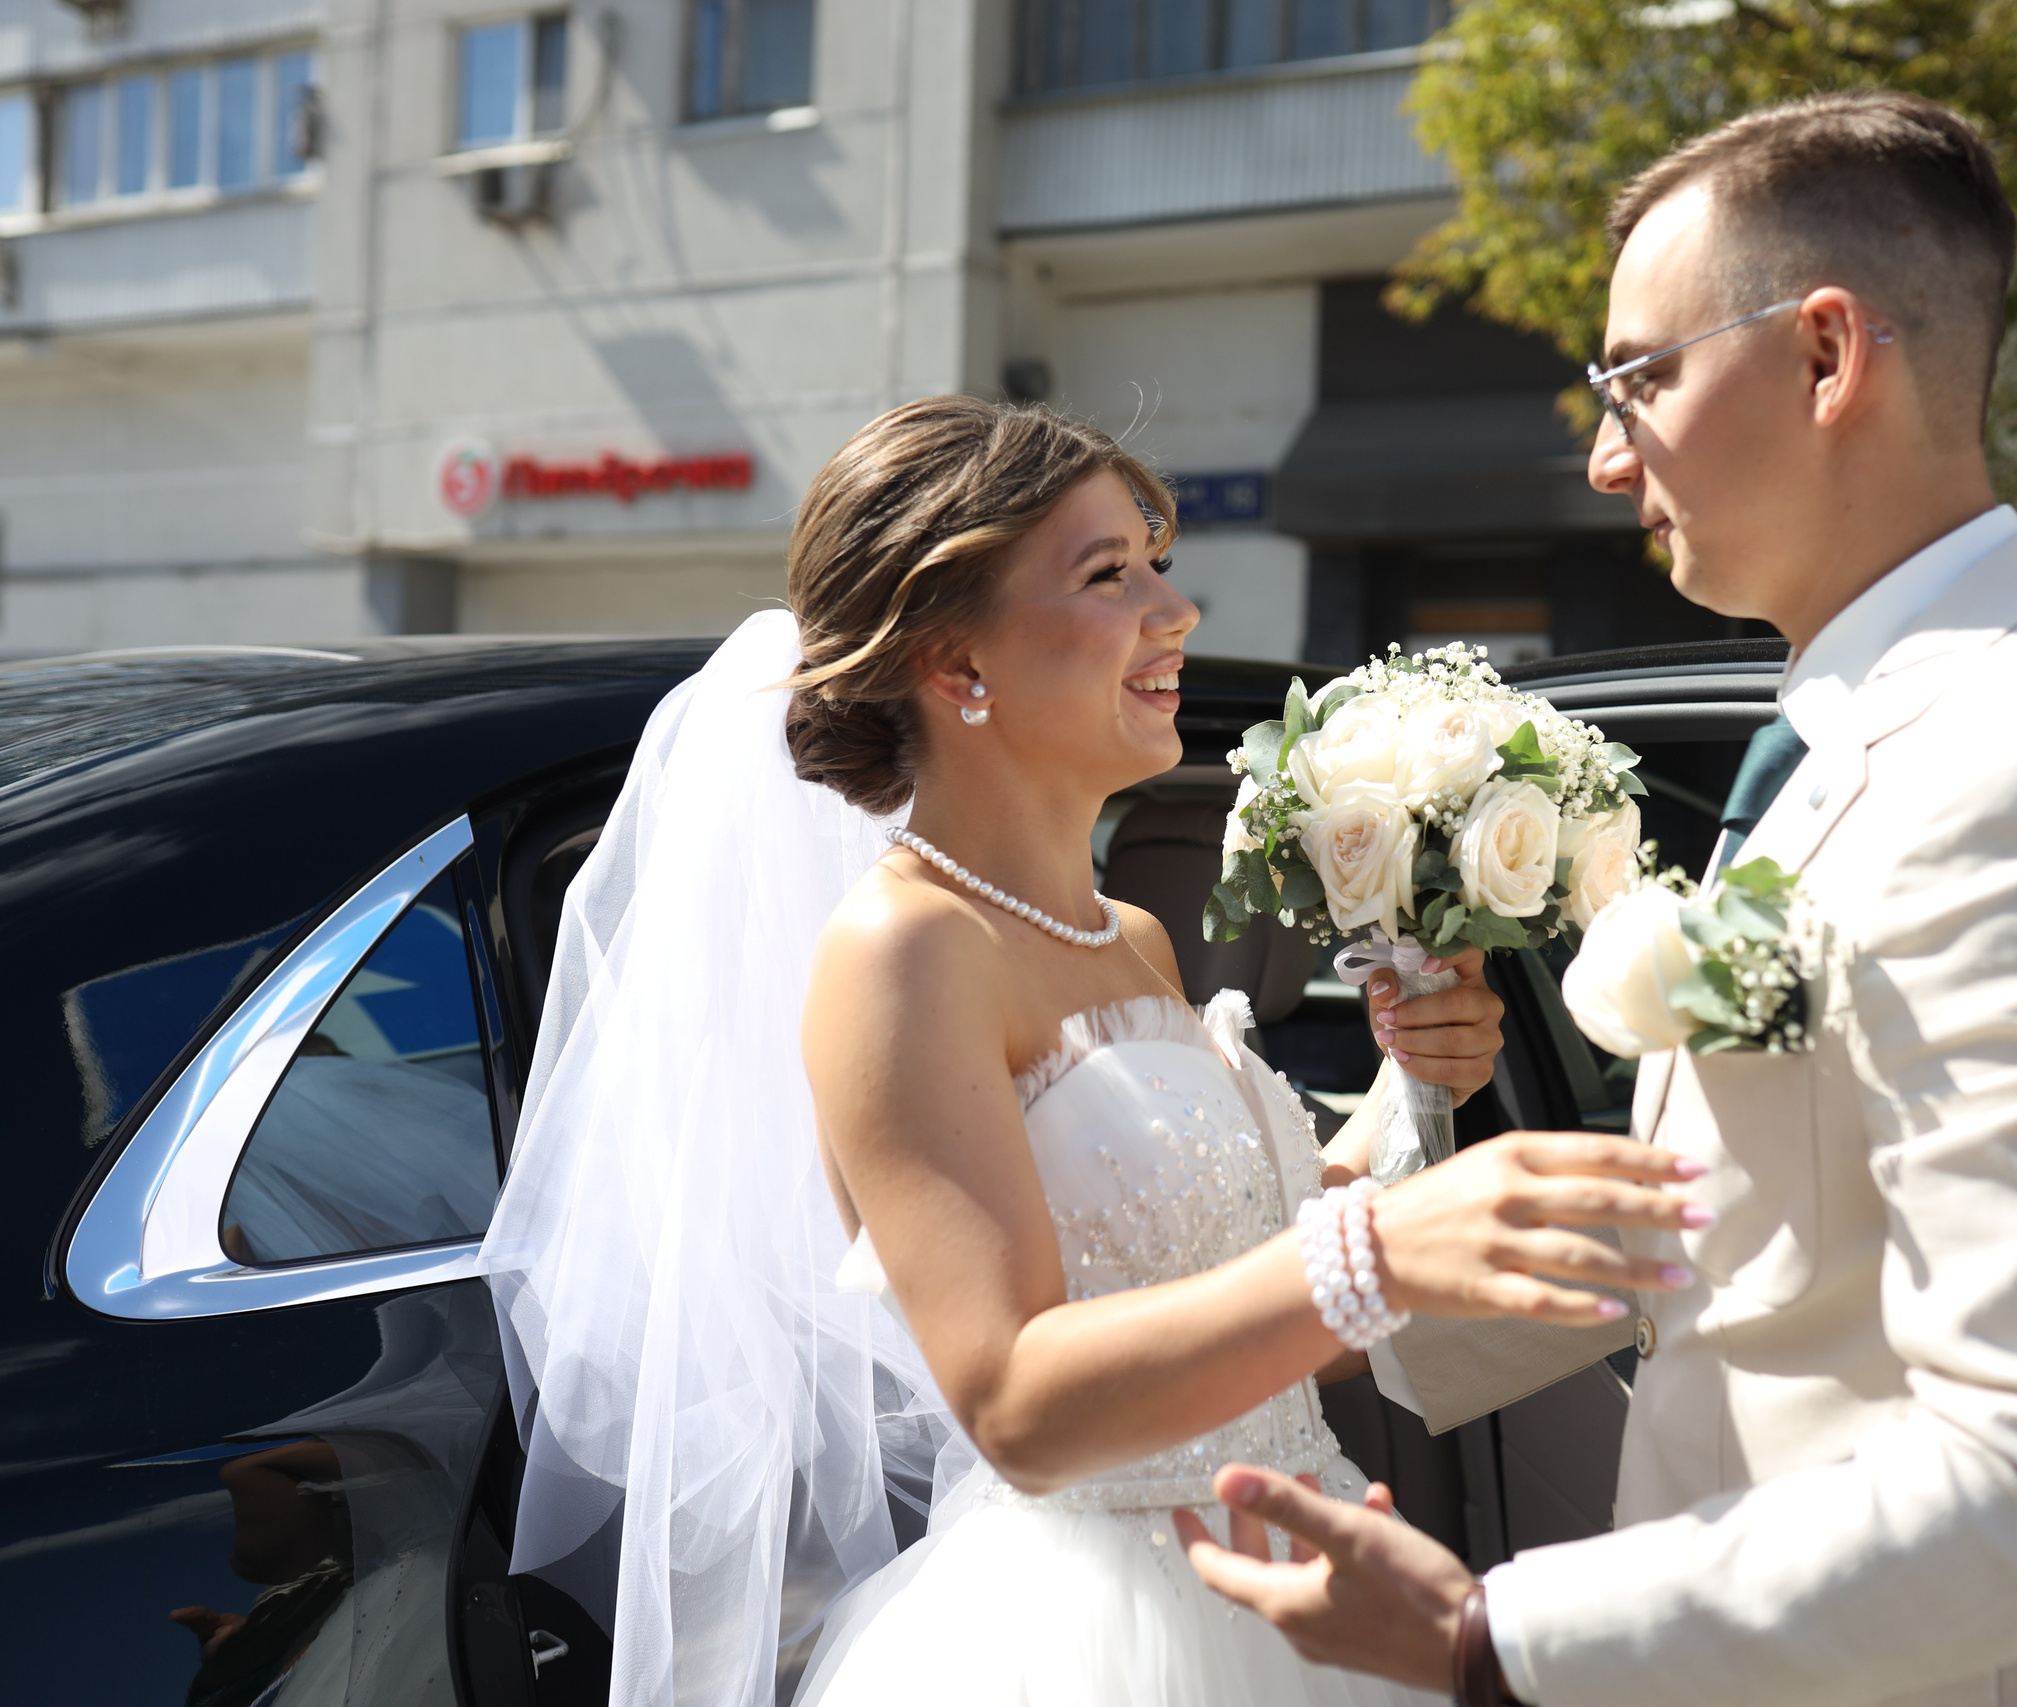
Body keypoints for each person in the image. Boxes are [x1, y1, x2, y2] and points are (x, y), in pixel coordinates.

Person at [1181, 90, 2017, 1707]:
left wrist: (1493, 1639)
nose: (1609, 455)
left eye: (1638, 379)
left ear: (1829, 356)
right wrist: (1399, 1269)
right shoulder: (1863, 737)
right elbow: (1792, 1237)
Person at [479, 394, 1705, 1707]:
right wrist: (1380, 1249)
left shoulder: (1129, 938)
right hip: (1098, 1638)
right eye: (1108, 575)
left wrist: (1412, 1091)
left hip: (1302, 1581)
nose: (1173, 611)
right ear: (958, 668)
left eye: (1157, 564)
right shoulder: (904, 954)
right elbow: (1015, 1402)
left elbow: (1249, 1286)